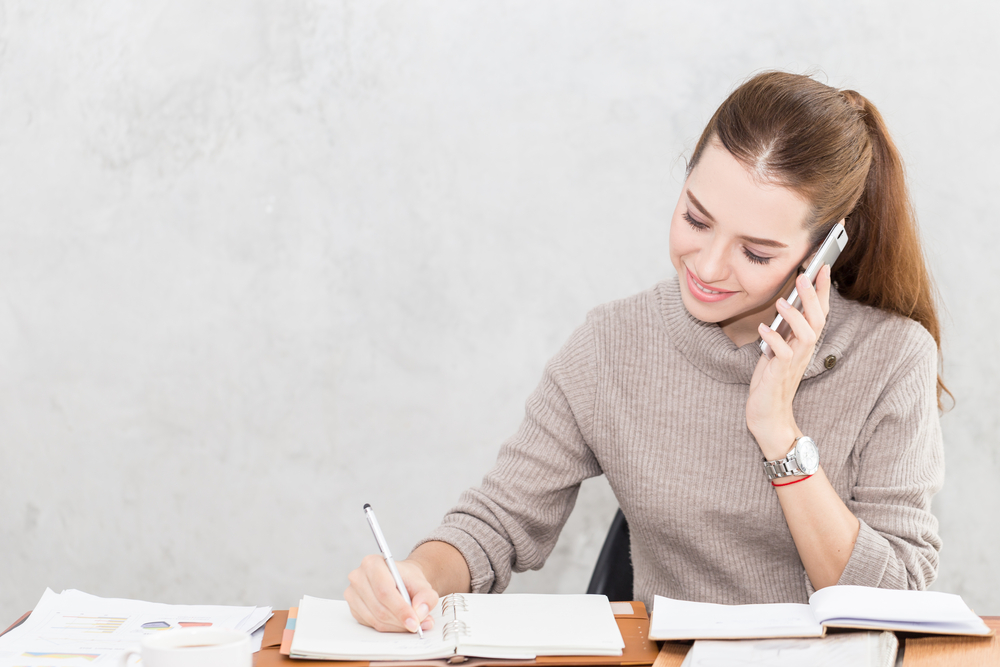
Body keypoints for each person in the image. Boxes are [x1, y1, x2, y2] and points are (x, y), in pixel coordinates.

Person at [345, 71, 947, 635]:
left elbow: (895, 605)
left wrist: (778, 434)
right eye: (695, 218)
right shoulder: (613, 344)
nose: (707, 266)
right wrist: (421, 576)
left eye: (757, 254)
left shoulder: (892, 358)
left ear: (822, 251)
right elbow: (498, 520)